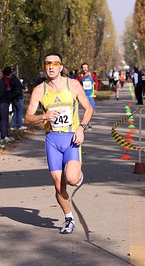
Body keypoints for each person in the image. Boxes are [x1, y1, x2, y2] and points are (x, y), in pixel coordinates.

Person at [24, 52, 93, 234]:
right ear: (45, 67)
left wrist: (81, 128)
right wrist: (43, 116)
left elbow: (88, 109)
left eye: (55, 63)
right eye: (48, 64)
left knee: (71, 179)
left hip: (71, 138)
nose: (51, 67)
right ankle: (68, 218)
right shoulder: (40, 90)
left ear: (61, 67)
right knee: (57, 183)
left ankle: (78, 176)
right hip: (52, 139)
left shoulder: (73, 85)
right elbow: (27, 118)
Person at [77, 62, 98, 128]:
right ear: (82, 69)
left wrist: (96, 89)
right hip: (84, 96)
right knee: (86, 110)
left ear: (88, 68)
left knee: (92, 110)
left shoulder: (91, 75)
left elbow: (97, 82)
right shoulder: (80, 77)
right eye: (83, 67)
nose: (85, 69)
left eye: (86, 67)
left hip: (91, 95)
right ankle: (87, 123)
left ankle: (87, 121)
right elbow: (78, 84)